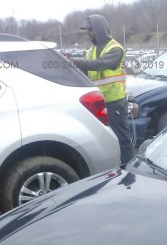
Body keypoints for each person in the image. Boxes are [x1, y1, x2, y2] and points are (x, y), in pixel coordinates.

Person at [71, 15, 134, 166]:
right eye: (87, 30)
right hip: (97, 103)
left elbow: (99, 64)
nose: (88, 33)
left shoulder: (115, 49)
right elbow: (86, 74)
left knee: (122, 138)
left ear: (99, 29)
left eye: (91, 29)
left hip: (115, 101)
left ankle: (129, 168)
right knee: (103, 138)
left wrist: (73, 62)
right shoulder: (90, 51)